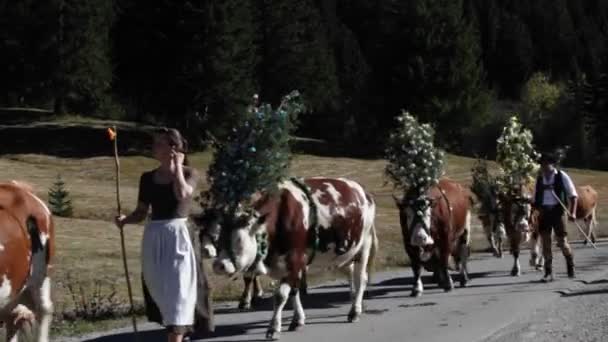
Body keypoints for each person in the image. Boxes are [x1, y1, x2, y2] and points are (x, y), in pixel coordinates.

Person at [115, 127, 213, 342]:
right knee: (159, 289)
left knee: (180, 290)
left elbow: (183, 194)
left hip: (179, 236)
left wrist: (177, 166)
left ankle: (176, 335)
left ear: (173, 148)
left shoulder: (189, 173)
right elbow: (141, 212)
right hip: (154, 236)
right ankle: (177, 332)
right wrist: (125, 221)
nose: (154, 147)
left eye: (159, 143)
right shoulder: (147, 178)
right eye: (155, 143)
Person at [533, 151, 578, 282]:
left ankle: (570, 265)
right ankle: (548, 272)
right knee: (545, 243)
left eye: (547, 164)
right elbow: (535, 199)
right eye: (542, 164)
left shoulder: (561, 176)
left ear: (552, 164)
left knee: (562, 242)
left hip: (558, 211)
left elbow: (573, 195)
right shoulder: (540, 179)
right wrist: (535, 212)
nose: (544, 166)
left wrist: (573, 212)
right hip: (544, 212)